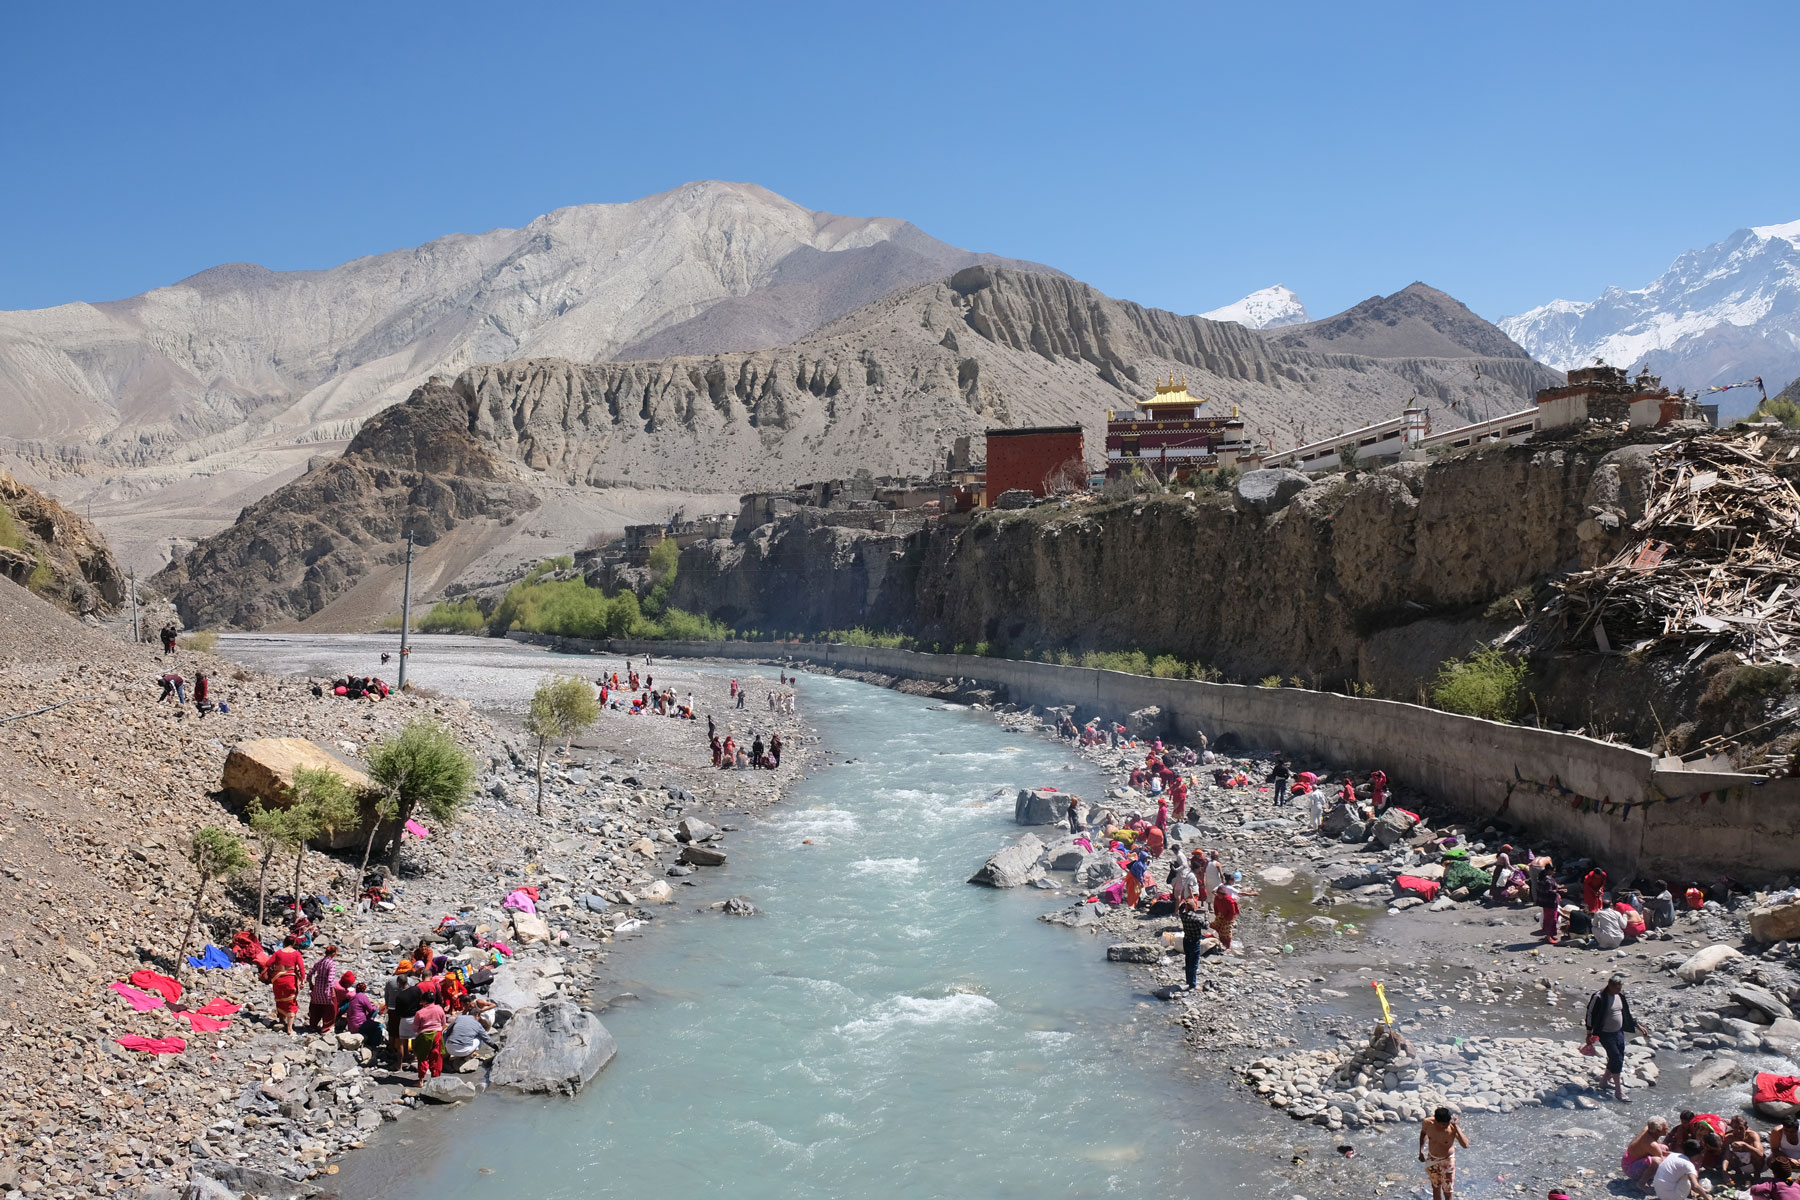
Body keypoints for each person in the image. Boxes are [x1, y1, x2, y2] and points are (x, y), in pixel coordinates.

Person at [1585, 974, 1646, 1100]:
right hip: (1605, 1033)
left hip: (1618, 1032)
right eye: (1617, 988)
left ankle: (1603, 1082)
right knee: (1616, 1058)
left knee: (1618, 1056)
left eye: (1620, 988)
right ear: (1610, 986)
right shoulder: (1599, 997)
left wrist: (1638, 1025)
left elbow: (1626, 1013)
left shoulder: (1620, 995)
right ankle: (1618, 1091)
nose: (1619, 990)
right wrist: (1589, 1032)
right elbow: (1590, 1013)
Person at [1419, 1107, 1469, 1200]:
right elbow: (1423, 1134)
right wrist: (1421, 1150)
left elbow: (1465, 1145)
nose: (1446, 1126)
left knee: (1447, 1191)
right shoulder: (1428, 1123)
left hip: (1447, 1161)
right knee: (1435, 1187)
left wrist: (1457, 1127)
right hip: (1432, 1159)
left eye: (1447, 1123)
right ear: (1436, 1121)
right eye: (1443, 1124)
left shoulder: (1452, 1128)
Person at [265, 935, 305, 1035]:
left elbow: (268, 963)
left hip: (278, 979)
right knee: (291, 1001)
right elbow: (301, 968)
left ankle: (281, 1020)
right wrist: (302, 980)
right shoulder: (296, 954)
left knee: (280, 998)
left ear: (284, 942)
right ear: (294, 944)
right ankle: (290, 1028)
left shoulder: (278, 953)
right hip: (290, 980)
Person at [1624, 1119, 1672, 1189]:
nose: (1667, 1128)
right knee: (1657, 1161)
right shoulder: (1652, 1145)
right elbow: (1662, 1164)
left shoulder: (1648, 1128)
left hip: (1630, 1158)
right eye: (1665, 1128)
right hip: (1629, 1168)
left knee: (1664, 1147)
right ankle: (1641, 1183)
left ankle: (1649, 1174)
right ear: (1658, 1131)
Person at [303, 944, 339, 1032]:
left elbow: (310, 973)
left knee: (316, 1007)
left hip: (317, 987)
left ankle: (313, 1025)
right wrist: (332, 990)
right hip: (326, 988)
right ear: (333, 953)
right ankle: (326, 1027)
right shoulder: (332, 964)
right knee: (331, 1009)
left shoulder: (320, 962)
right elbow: (330, 979)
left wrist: (311, 983)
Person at [412, 995, 447, 1082]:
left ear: (424, 1001)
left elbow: (415, 1028)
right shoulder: (439, 1009)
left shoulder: (419, 1013)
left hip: (424, 1036)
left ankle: (421, 1080)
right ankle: (435, 1079)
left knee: (422, 1057)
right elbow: (443, 1023)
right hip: (437, 1034)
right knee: (436, 1057)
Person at [1726, 1116, 1767, 1185]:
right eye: (1735, 1128)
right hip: (1741, 1164)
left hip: (1756, 1164)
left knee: (1755, 1153)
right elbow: (1725, 1156)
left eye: (1741, 1128)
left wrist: (1745, 1145)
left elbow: (1760, 1155)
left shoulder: (1752, 1135)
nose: (1738, 1131)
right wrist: (1724, 1171)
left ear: (1746, 1127)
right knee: (1730, 1154)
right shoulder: (1729, 1137)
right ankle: (1739, 1174)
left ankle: (1757, 1176)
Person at [1178, 896, 1208, 988]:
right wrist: (1206, 917)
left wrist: (1184, 904)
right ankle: (1193, 984)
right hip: (1195, 942)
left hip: (1186, 940)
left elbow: (1180, 909)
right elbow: (1206, 926)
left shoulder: (1183, 916)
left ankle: (1188, 980)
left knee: (1188, 961)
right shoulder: (1197, 919)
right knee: (1194, 964)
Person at [1212, 875, 1240, 949]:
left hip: (1229, 917)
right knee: (1217, 926)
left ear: (1223, 894)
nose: (1218, 895)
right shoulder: (1217, 898)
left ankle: (1227, 946)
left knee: (1226, 932)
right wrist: (1217, 914)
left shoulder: (1229, 900)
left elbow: (1232, 912)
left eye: (1219, 894)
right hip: (1221, 914)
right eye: (1217, 894)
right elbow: (1215, 906)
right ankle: (1222, 941)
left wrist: (1226, 919)